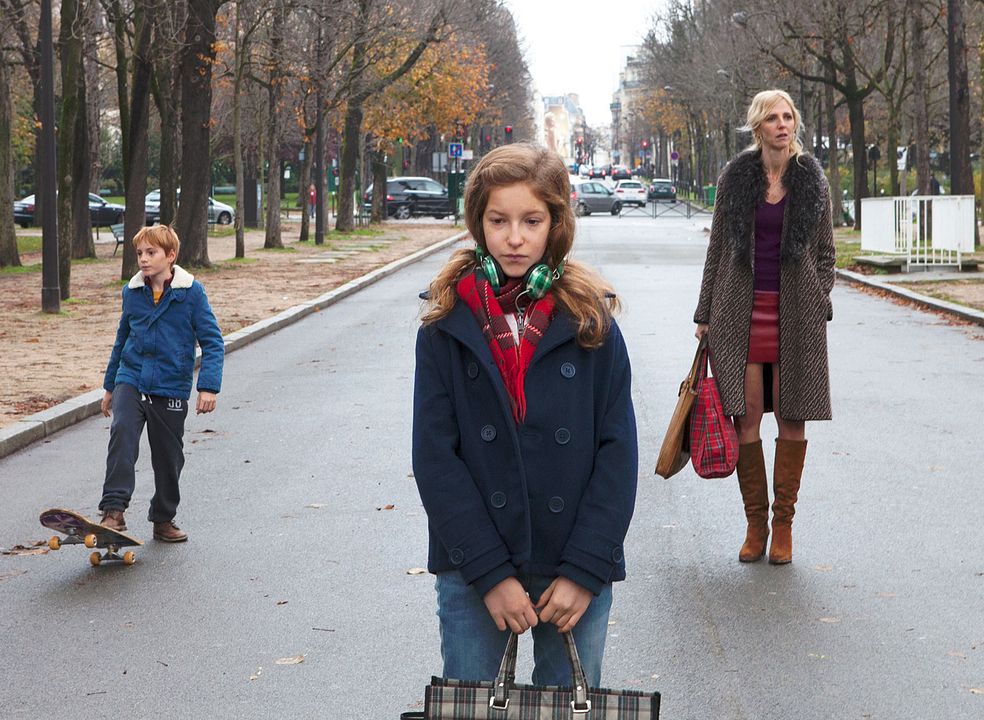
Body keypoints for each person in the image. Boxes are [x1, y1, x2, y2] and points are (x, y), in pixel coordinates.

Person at [412, 143, 638, 687]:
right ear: (478, 223)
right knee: (471, 701)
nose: (515, 238)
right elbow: (435, 458)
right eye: (499, 220)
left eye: (531, 220)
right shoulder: (445, 325)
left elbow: (618, 453)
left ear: (555, 224)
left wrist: (586, 570)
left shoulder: (592, 323)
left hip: (574, 564)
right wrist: (490, 574)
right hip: (476, 565)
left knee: (568, 705)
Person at [694, 89, 835, 565]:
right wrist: (705, 313)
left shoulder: (812, 179)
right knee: (746, 419)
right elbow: (717, 249)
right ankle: (755, 524)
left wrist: (820, 296)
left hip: (796, 316)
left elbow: (827, 254)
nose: (783, 124)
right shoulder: (736, 178)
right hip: (741, 314)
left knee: (793, 419)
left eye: (788, 116)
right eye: (773, 117)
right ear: (758, 126)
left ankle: (783, 526)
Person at [98, 225, 224, 542]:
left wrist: (208, 386)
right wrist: (111, 385)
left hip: (170, 383)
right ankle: (113, 511)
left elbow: (213, 342)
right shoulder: (132, 292)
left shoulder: (191, 293)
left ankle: (163, 518)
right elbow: (122, 337)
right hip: (133, 376)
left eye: (151, 253)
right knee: (122, 433)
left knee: (168, 457)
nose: (143, 259)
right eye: (139, 253)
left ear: (170, 256)